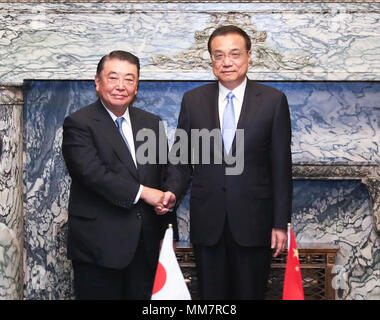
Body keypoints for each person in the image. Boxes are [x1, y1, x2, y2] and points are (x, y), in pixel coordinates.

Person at [160, 25, 293, 299]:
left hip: (255, 223)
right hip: (208, 223)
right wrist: (172, 191)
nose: (227, 62)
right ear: (211, 61)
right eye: (218, 55)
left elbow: (281, 168)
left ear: (248, 56)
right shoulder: (193, 100)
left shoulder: (273, 101)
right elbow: (181, 157)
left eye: (234, 54)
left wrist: (280, 223)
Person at [62, 50, 173, 299]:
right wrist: (146, 193)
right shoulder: (79, 123)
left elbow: (164, 169)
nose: (121, 86)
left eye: (129, 79)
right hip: (98, 247)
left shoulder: (151, 123)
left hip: (145, 246)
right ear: (97, 82)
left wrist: (169, 196)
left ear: (137, 86)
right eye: (113, 78)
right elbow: (92, 174)